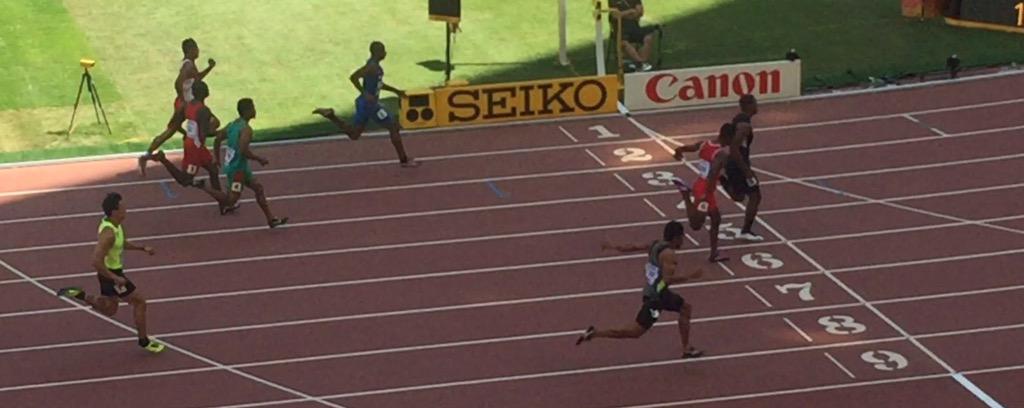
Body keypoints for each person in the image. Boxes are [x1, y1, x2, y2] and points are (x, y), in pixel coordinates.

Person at [576, 221, 704, 359]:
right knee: (635, 332)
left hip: (659, 292)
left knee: (685, 308)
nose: (683, 241)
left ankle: (686, 348)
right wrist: (690, 276)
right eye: (682, 237)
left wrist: (613, 246)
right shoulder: (669, 255)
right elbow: (666, 280)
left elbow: (633, 247)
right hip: (656, 299)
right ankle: (595, 333)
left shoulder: (655, 244)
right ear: (676, 238)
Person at [56, 193, 165, 354]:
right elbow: (95, 261)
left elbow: (121, 243)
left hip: (111, 273)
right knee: (140, 301)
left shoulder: (115, 225)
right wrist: (115, 278)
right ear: (114, 211)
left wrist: (141, 248)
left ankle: (81, 295)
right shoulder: (108, 234)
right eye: (123, 207)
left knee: (110, 310)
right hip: (110, 274)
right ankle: (144, 341)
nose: (126, 209)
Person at [312, 41, 419, 168]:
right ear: (377, 52)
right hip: (370, 105)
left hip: (365, 104)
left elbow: (379, 84)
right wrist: (365, 93)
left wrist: (396, 91)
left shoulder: (375, 67)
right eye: (383, 50)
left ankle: (331, 116)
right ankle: (404, 160)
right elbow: (354, 77)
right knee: (393, 126)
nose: (385, 53)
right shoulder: (371, 67)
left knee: (354, 134)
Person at [199, 98, 289, 228]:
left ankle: (271, 219)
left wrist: (217, 158)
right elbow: (243, 150)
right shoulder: (246, 129)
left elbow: (217, 140)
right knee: (231, 200)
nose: (255, 110)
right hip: (237, 170)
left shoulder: (233, 124)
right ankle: (204, 186)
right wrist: (259, 159)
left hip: (240, 167)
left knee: (258, 188)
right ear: (247, 111)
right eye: (252, 107)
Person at [138, 38, 216, 176]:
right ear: (190, 50)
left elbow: (197, 78)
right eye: (196, 48)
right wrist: (184, 98)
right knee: (213, 122)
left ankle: (146, 155)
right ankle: (193, 142)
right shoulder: (188, 66)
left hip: (184, 103)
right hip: (187, 104)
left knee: (170, 130)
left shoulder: (190, 64)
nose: (198, 50)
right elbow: (177, 82)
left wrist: (209, 67)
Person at [150, 81, 226, 208]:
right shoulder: (204, 111)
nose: (208, 90)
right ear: (204, 93)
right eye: (206, 88)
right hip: (195, 148)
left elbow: (173, 123)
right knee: (185, 180)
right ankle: (163, 159)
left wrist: (187, 133)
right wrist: (219, 133)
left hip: (193, 143)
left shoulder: (187, 106)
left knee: (213, 170)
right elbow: (202, 135)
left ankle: (223, 204)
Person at [672, 123, 734, 262]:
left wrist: (679, 150)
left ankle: (714, 253)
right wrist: (707, 194)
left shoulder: (706, 144)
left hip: (701, 185)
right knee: (696, 224)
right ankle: (685, 194)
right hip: (705, 190)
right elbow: (712, 174)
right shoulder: (721, 154)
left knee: (716, 218)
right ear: (728, 137)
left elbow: (692, 147)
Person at [722, 94, 764, 241]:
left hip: (734, 164)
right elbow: (734, 147)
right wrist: (747, 171)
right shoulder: (744, 126)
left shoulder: (738, 119)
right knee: (755, 196)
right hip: (739, 164)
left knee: (739, 196)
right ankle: (746, 231)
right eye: (755, 103)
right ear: (750, 105)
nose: (757, 106)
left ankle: (724, 182)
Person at [609, 0, 659, 72]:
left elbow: (640, 12)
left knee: (648, 36)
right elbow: (615, 15)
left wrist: (624, 14)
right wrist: (630, 11)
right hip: (620, 29)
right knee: (624, 43)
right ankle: (640, 63)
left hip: (634, 28)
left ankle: (641, 64)